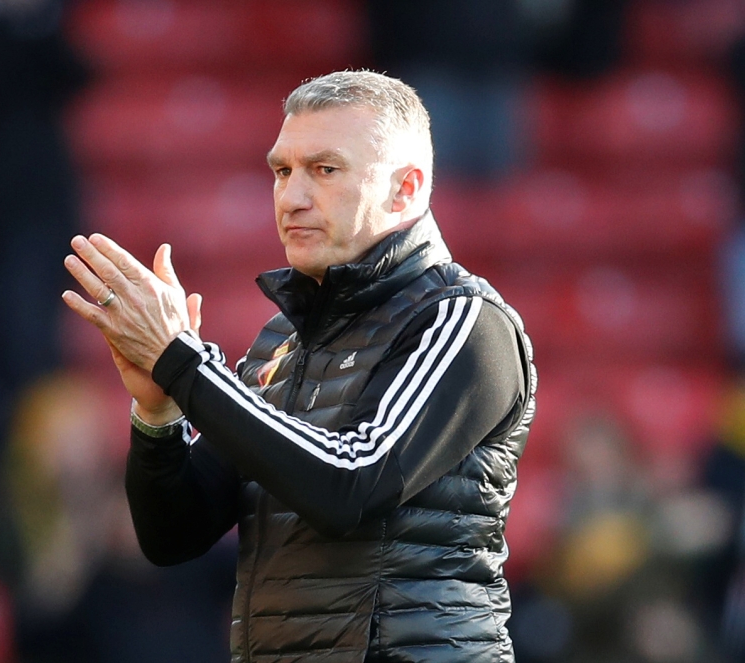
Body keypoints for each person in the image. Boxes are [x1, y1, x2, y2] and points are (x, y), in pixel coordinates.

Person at [63, 71, 536, 663]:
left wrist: (183, 362)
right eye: (282, 171)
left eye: (325, 169)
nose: (291, 197)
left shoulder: (463, 321)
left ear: (406, 190)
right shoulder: (280, 341)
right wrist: (158, 411)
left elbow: (351, 484)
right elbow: (171, 537)